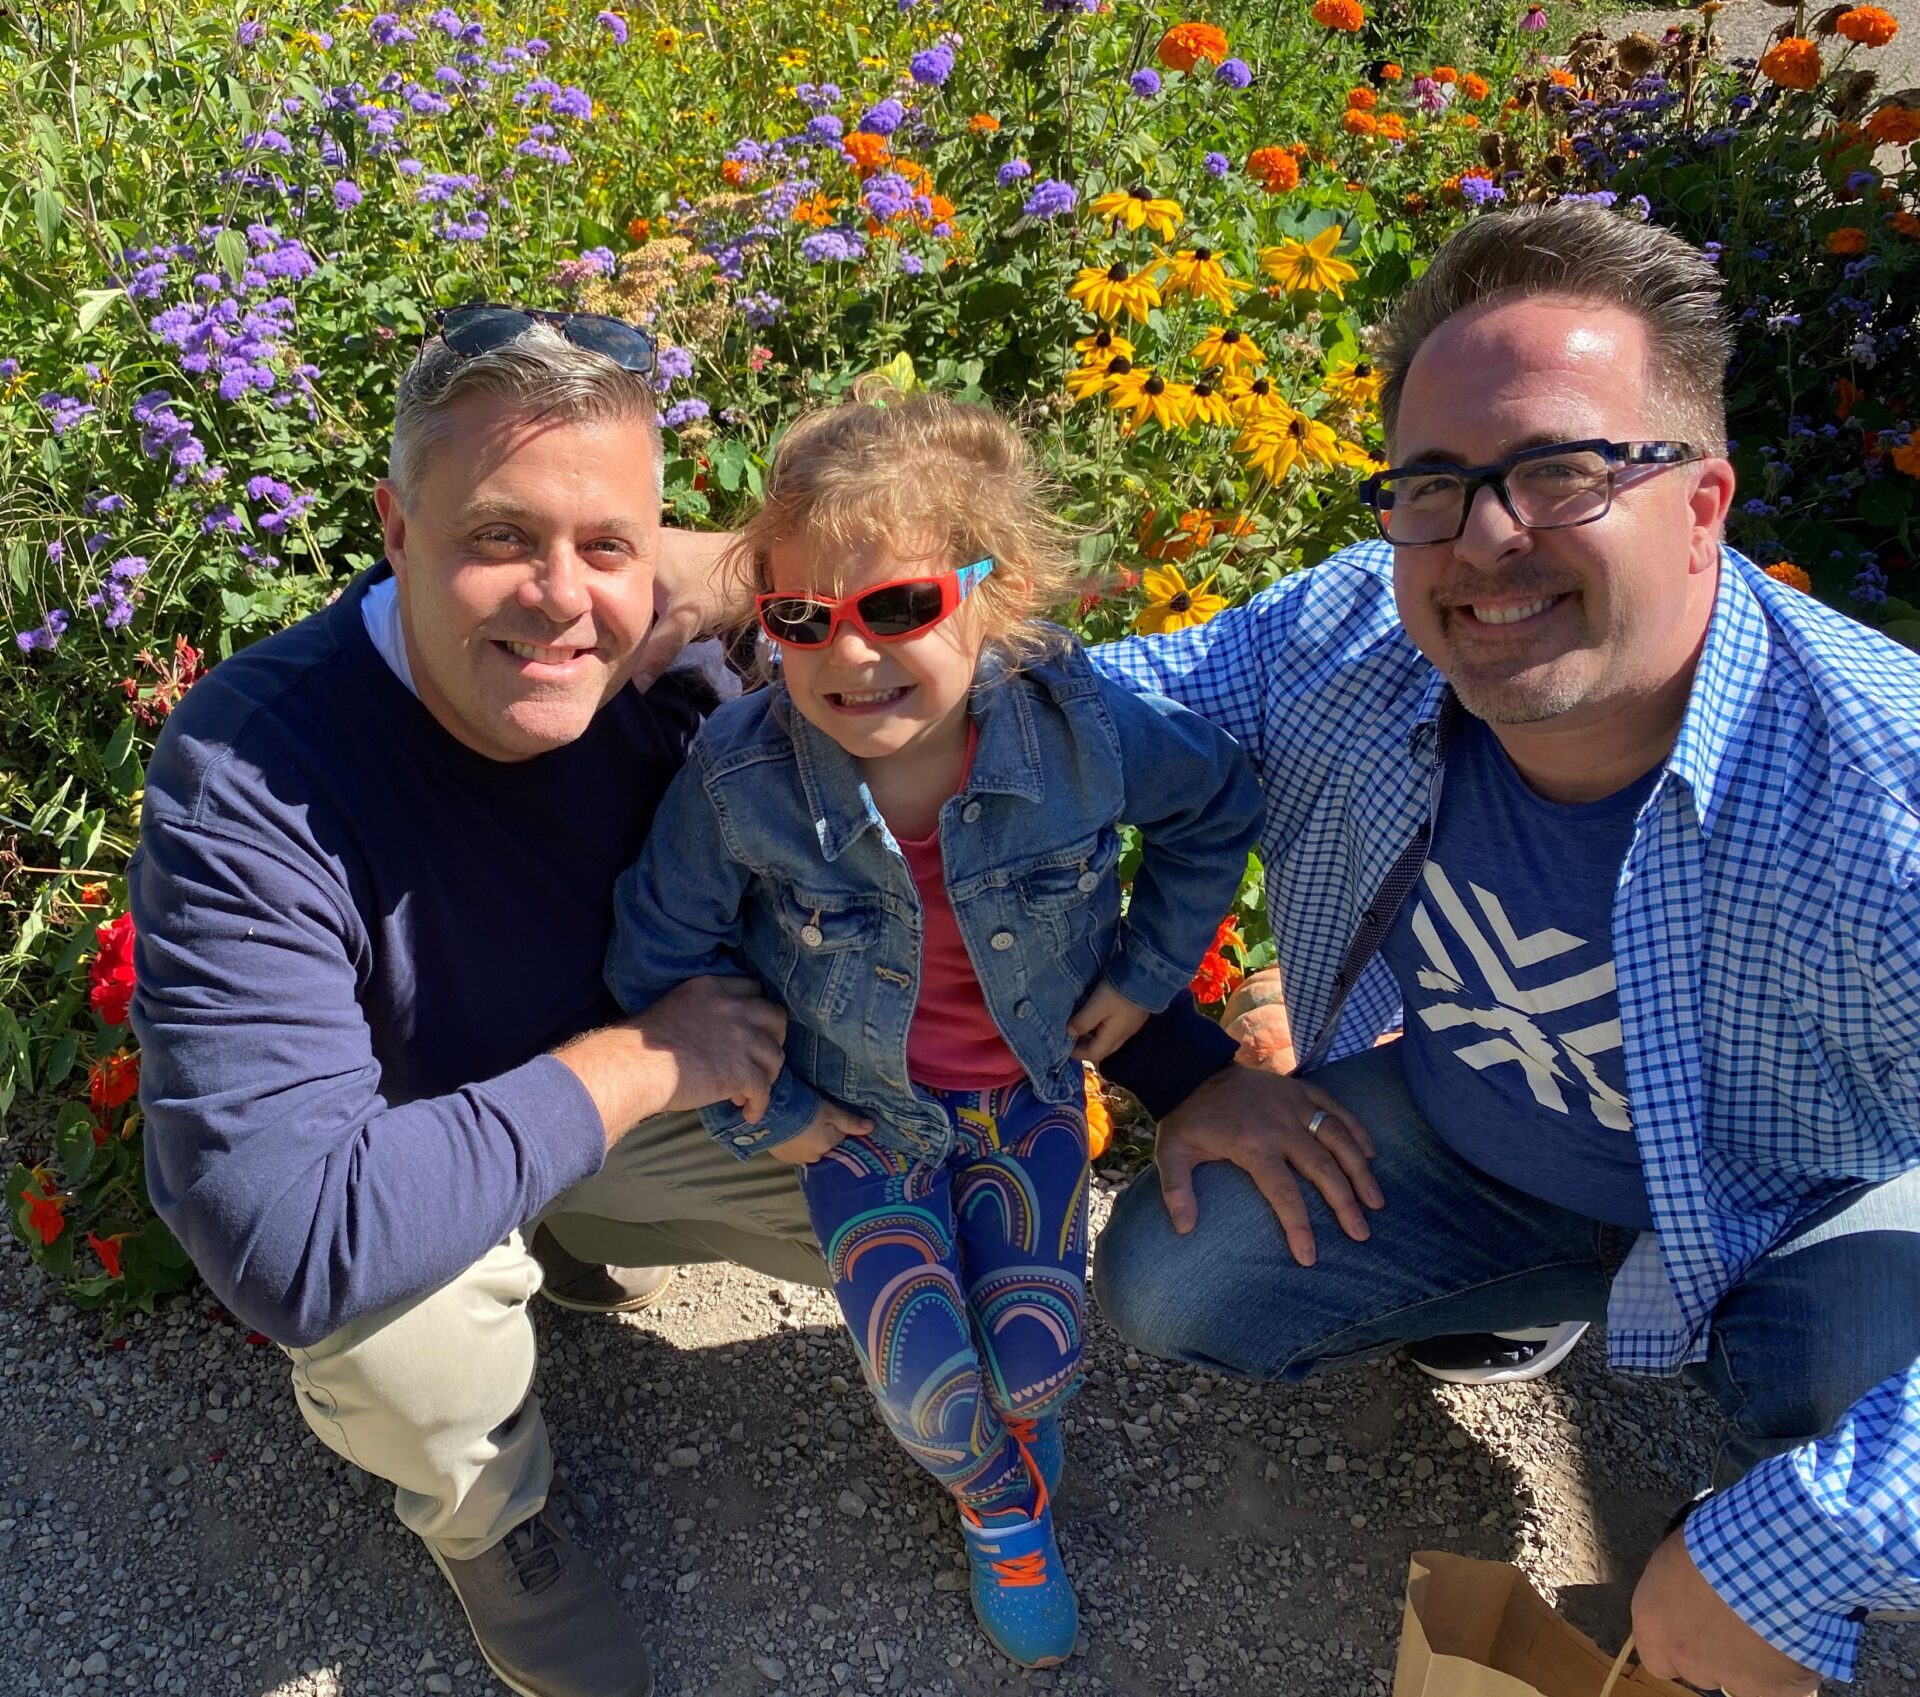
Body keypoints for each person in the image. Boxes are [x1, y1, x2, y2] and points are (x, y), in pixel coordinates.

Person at [127, 309, 1231, 1697]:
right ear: (395, 530)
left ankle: (586, 1229)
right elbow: (287, 1241)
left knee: (914, 1167)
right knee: (396, 1330)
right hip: (433, 1136)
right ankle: (490, 1521)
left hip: (654, 1084)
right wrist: (649, 1058)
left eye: (608, 546)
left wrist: (1191, 1061)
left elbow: (977, 880)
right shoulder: (251, 769)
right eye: (496, 539)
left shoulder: (710, 662)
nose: (560, 598)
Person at [1089, 201, 1920, 1697]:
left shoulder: (1886, 798)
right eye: (1433, 483)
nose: (1484, 536)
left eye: (1561, 469)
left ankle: (1751, 1450)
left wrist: (1795, 1540)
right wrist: (1179, 1057)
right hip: (1490, 1140)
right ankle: (1531, 1291)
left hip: (1795, 1199)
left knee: (1858, 1377)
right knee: (1175, 1278)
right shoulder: (1347, 632)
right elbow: (1029, 744)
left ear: (1703, 501)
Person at [603, 392, 1264, 1669]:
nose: (850, 658)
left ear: (994, 593)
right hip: (861, 1123)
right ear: (771, 623)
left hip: (1025, 1096)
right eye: (802, 620)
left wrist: (1150, 968)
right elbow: (659, 950)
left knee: (1039, 1363)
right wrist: (773, 1102)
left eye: (898, 607)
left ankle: (1011, 1429)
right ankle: (998, 1506)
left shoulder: (1078, 725)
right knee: (934, 1387)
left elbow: (1214, 803)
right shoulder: (742, 776)